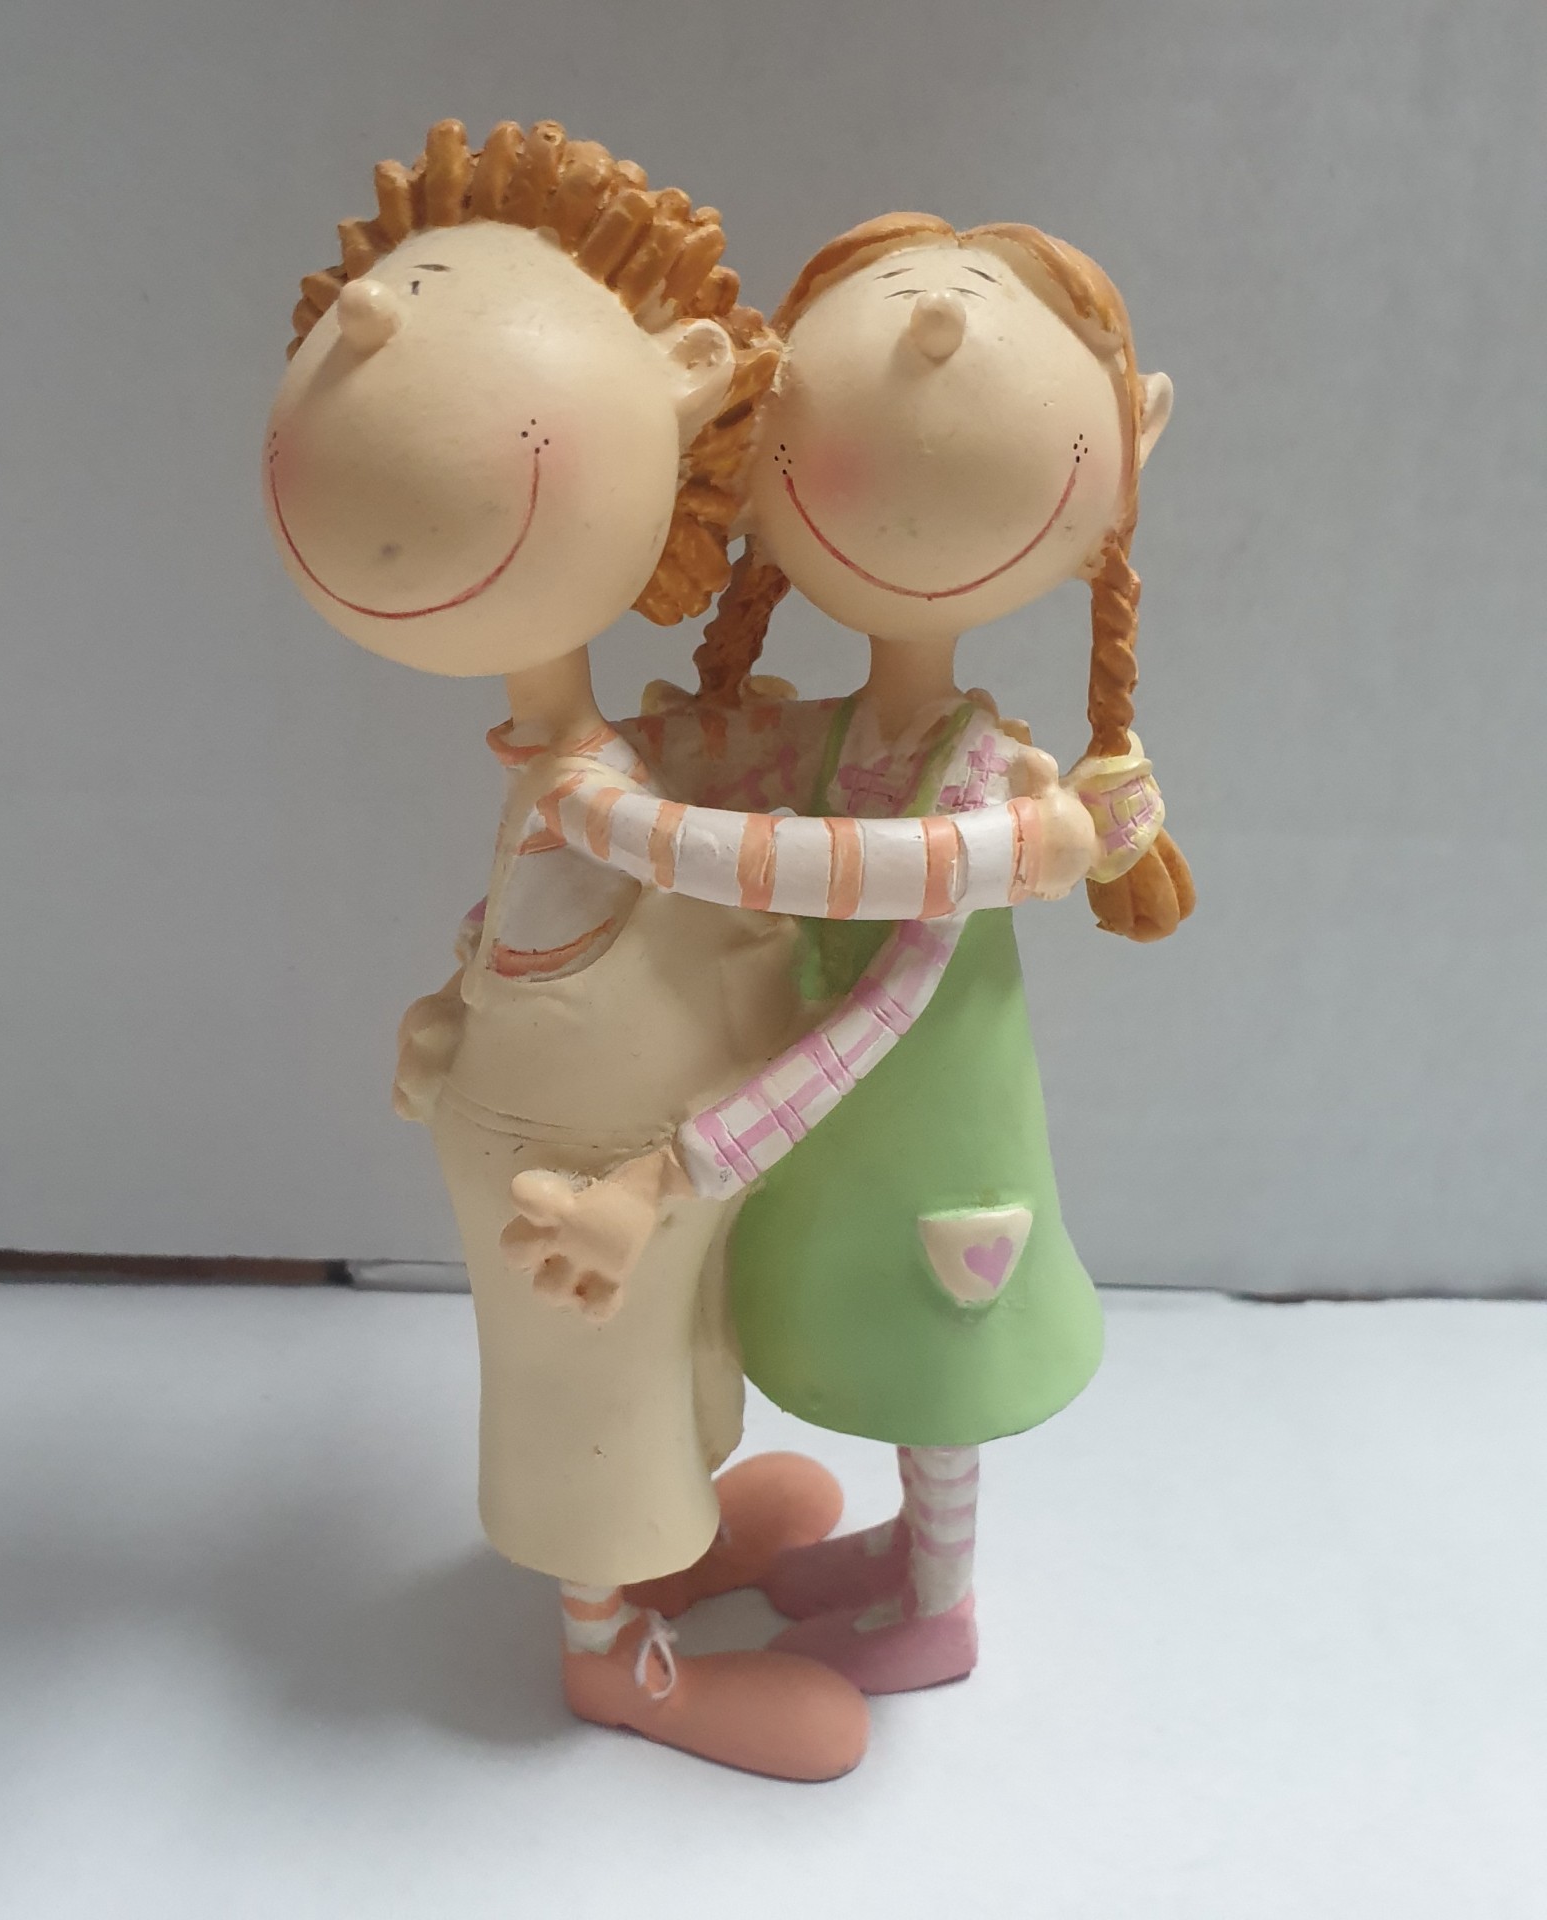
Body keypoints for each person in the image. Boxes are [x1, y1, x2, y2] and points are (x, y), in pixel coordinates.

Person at [267, 131, 1099, 1776]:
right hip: (592, 1157)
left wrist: (625, 1118)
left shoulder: (664, 768)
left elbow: (784, 915)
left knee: (703, 1364)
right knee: (597, 1390)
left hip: (680, 1146)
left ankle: (766, 1566)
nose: (369, 329)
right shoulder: (630, 778)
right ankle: (613, 1652)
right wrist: (470, 1002)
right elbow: (668, 856)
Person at [512, 213, 1190, 1697]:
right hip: (842, 1133)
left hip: (924, 1123)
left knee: (937, 1350)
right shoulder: (837, 744)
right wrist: (565, 702)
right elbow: (686, 766)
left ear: (1121, 453)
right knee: (879, 1332)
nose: (934, 338)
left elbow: (885, 1008)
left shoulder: (980, 789)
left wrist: (682, 1165)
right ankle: (904, 1556)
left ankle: (939, 1603)